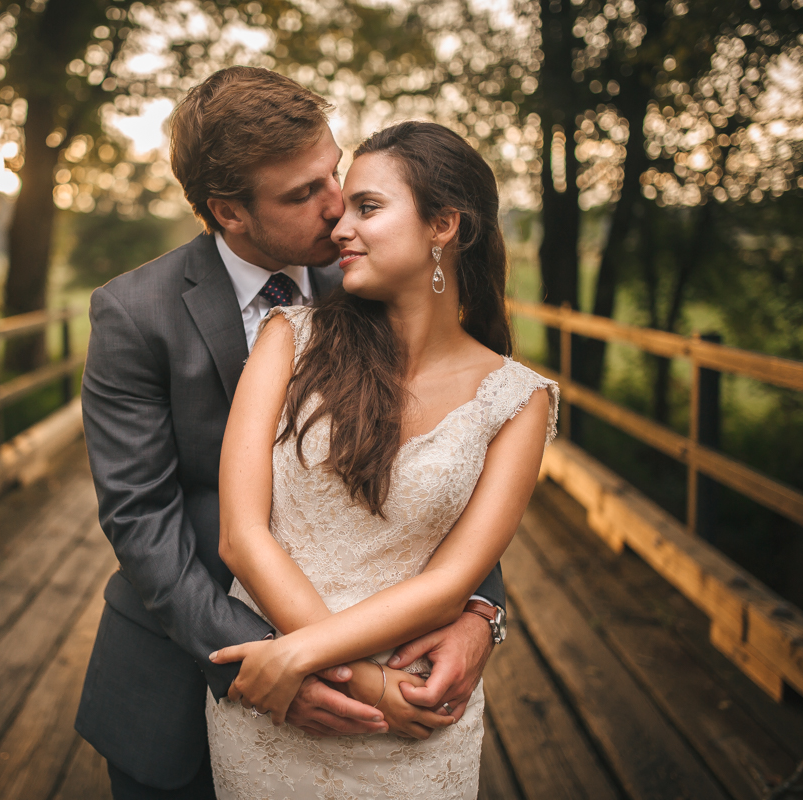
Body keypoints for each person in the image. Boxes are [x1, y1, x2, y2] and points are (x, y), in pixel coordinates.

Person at [75, 67, 507, 800]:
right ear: (229, 212)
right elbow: (141, 520)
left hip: (378, 689)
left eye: (332, 172)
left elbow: (458, 451)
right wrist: (281, 659)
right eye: (302, 194)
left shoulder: (376, 282)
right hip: (187, 678)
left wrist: (481, 611)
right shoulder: (135, 315)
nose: (338, 207)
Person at [205, 120, 558, 798]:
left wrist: (303, 655)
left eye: (367, 208)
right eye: (344, 211)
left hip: (416, 723)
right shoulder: (290, 339)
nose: (339, 228)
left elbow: (454, 582)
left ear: (443, 225)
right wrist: (366, 684)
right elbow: (242, 536)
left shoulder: (518, 399)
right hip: (283, 710)